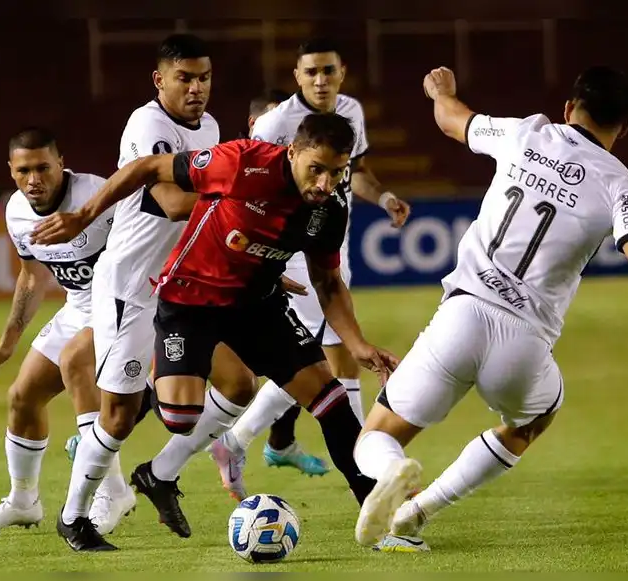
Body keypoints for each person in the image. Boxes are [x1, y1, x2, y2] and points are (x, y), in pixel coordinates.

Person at [352, 66, 628, 553]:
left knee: (376, 434)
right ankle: (418, 512)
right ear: (623, 128)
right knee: (533, 419)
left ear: (568, 108)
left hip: (461, 316)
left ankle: (393, 471)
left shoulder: (527, 133)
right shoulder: (622, 187)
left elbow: (451, 119)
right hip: (523, 341)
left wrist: (442, 92)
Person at [32, 112, 399, 540]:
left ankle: (382, 517)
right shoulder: (244, 162)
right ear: (293, 152)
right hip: (188, 301)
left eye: (336, 173)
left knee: (331, 401)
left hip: (258, 307)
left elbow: (327, 281)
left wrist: (356, 343)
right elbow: (149, 168)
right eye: (315, 169)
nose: (323, 183)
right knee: (179, 415)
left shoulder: (330, 209)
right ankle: (135, 401)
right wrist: (83, 215)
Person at [30, 34, 263, 552]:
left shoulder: (210, 127)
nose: (197, 87)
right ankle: (75, 518)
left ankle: (160, 472)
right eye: (185, 77)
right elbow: (173, 202)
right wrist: (250, 201)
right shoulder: (147, 125)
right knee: (116, 416)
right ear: (160, 80)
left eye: (204, 77)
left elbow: (198, 214)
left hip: (180, 283)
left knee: (239, 383)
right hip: (130, 289)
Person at [208, 38, 413, 501]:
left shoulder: (351, 113)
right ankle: (236, 441)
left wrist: (382, 197)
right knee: (310, 363)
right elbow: (242, 185)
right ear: (297, 77)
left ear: (342, 72)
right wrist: (257, 256)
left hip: (331, 247)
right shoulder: (276, 123)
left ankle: (359, 456)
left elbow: (354, 169)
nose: (321, 79)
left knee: (341, 364)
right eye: (311, 72)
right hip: (292, 253)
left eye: (328, 71)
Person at [0, 128, 129, 536]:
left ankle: (113, 490)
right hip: (78, 308)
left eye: (42, 167)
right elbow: (32, 277)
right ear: (11, 171)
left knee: (77, 362)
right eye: (23, 171)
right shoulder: (16, 212)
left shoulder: (99, 195)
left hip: (124, 305)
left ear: (60, 163)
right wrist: (7, 343)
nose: (33, 179)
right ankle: (23, 501)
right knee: (23, 397)